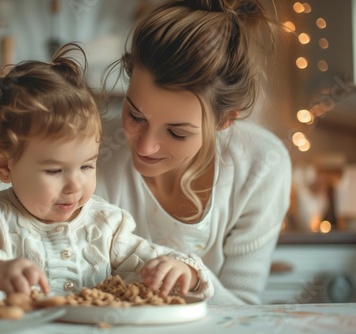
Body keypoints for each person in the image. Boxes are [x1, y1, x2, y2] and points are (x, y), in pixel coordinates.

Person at [0, 27, 214, 302]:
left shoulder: (106, 224)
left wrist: (184, 272)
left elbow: (153, 267)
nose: (75, 185)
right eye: (54, 170)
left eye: (87, 166)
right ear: (5, 166)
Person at [95, 0, 292, 304]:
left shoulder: (262, 165)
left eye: (177, 132)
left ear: (225, 120)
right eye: (135, 116)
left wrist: (195, 277)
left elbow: (243, 311)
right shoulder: (88, 152)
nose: (145, 146)